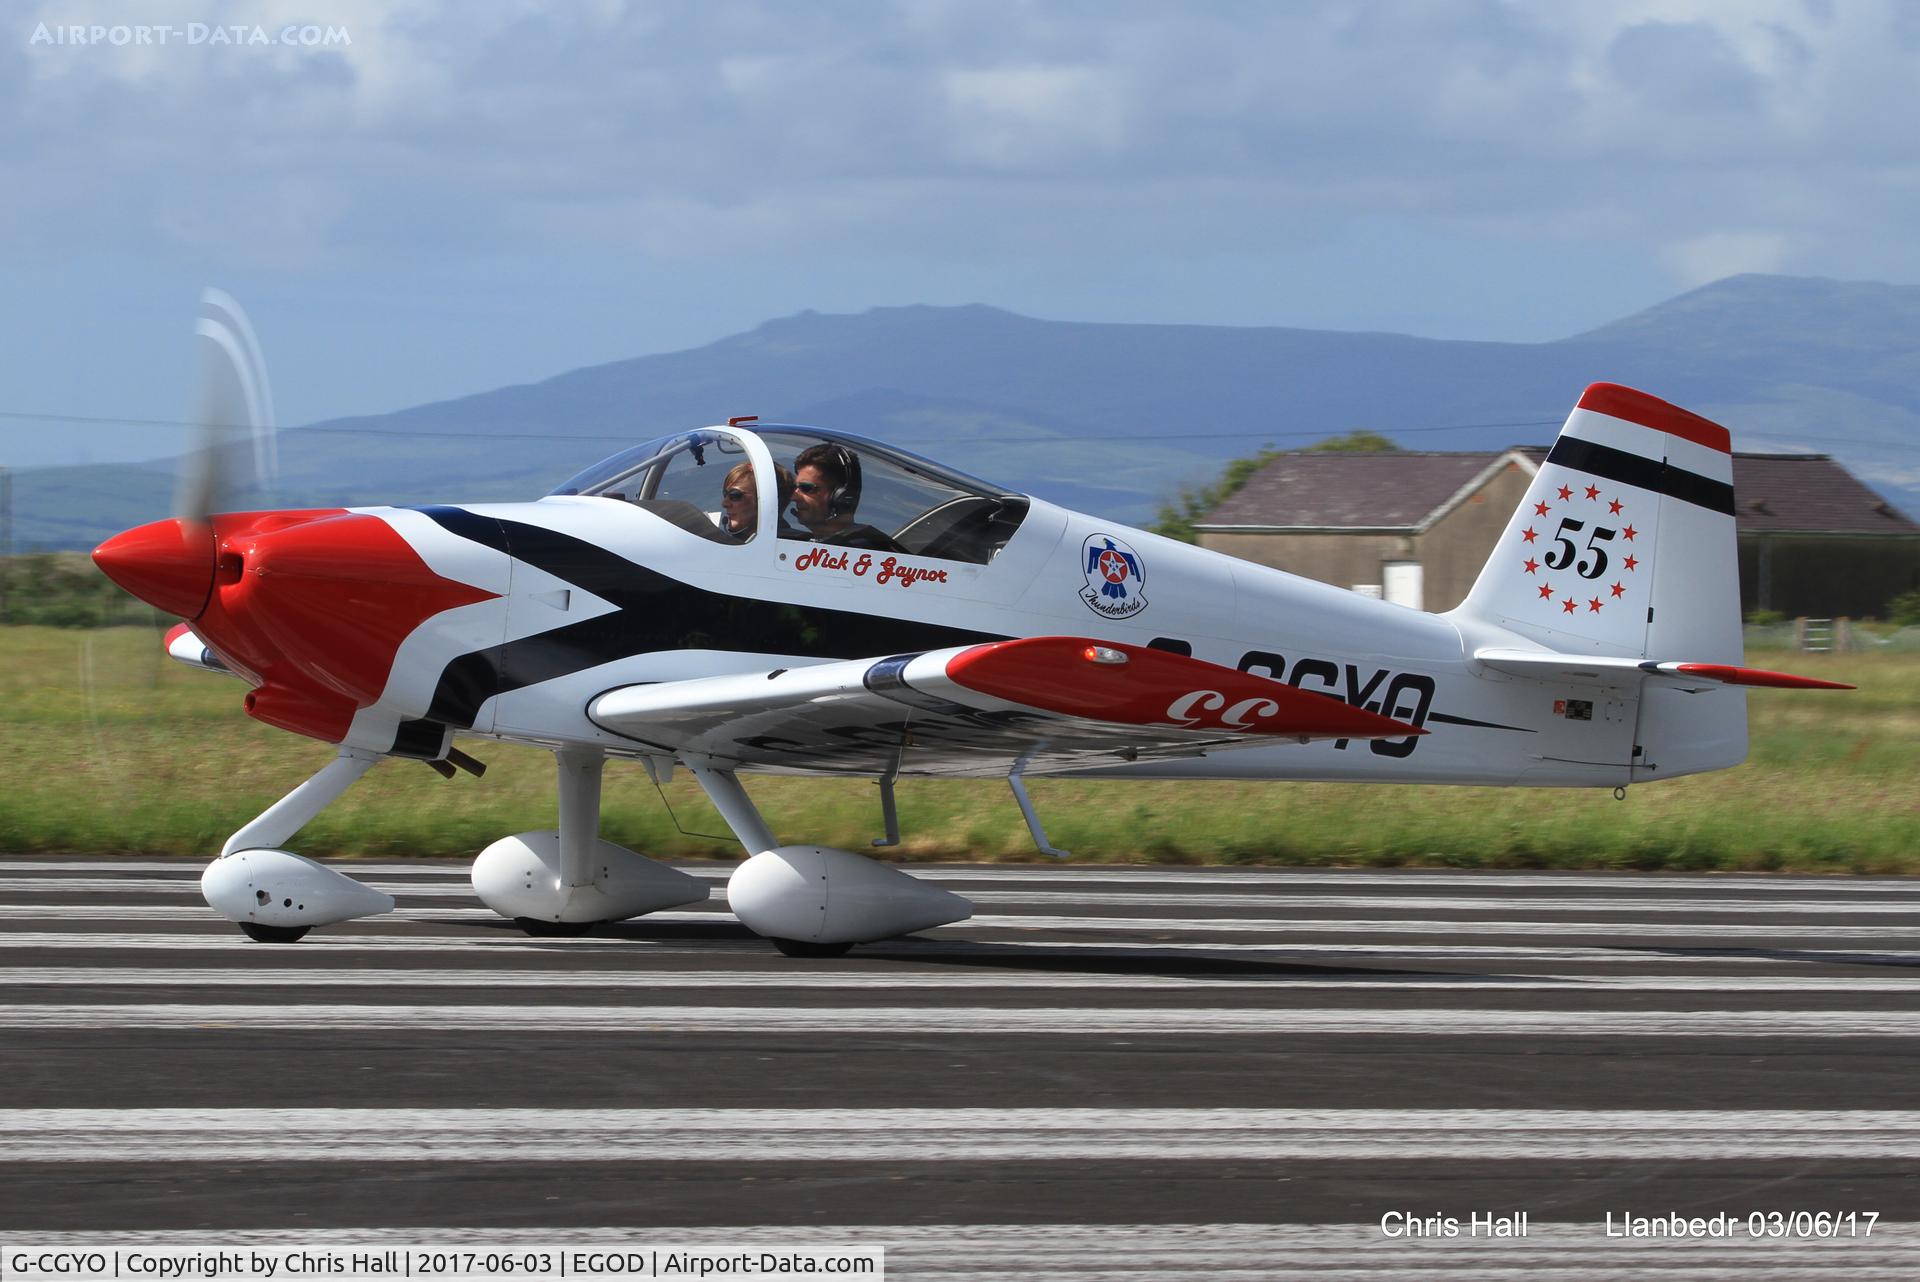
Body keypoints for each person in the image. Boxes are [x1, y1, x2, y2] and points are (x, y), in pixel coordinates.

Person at [790, 443, 903, 551]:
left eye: (806, 487)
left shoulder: (864, 551)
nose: (794, 497)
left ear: (841, 497)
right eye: (795, 487)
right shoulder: (817, 546)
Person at [718, 460, 796, 541]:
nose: (724, 503)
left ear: (764, 501)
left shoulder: (797, 547)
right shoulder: (725, 545)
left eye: (734, 495)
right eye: (725, 494)